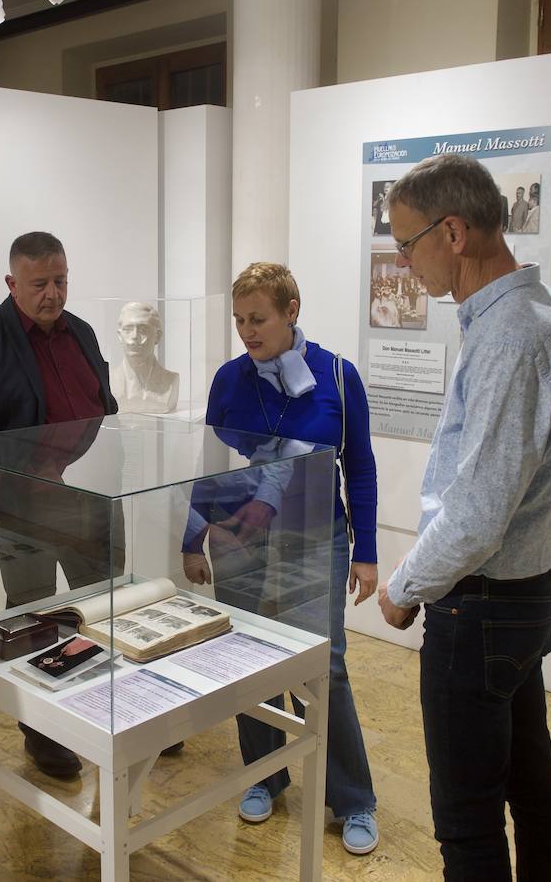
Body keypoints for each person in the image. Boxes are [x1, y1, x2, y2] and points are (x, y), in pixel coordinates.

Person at [375, 154, 551, 880]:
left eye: (407, 244)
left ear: (454, 232)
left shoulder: (510, 337)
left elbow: (477, 514)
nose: (404, 263)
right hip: (520, 597)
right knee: (531, 785)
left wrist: (406, 586)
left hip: (484, 606)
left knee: (467, 821)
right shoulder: (542, 314)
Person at [181, 261, 380, 856]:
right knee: (246, 658)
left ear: (291, 311)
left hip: (316, 534)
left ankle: (352, 799)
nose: (247, 331)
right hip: (241, 535)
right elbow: (210, 463)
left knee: (326, 666)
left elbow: (360, 467)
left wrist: (366, 553)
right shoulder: (229, 379)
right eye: (239, 319)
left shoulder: (337, 377)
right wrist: (193, 537)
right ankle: (263, 775)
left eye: (258, 319)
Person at [0, 231, 143, 780]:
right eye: (40, 284)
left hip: (93, 501)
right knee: (32, 618)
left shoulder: (81, 332)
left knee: (105, 609)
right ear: (12, 283)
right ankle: (42, 731)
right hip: (24, 511)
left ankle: (111, 713)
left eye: (60, 280)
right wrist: (8, 494)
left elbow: (105, 409)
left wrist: (109, 474)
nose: (53, 293)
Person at [110, 301, 180, 413]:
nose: (134, 337)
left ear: (157, 336)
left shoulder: (170, 381)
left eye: (143, 330)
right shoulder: (109, 381)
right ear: (119, 336)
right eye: (128, 329)